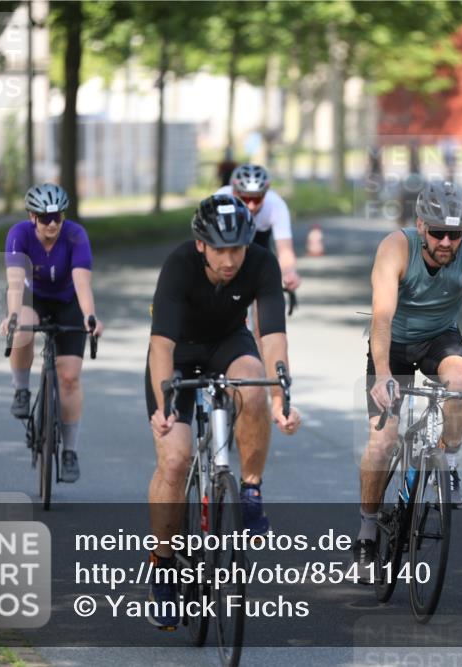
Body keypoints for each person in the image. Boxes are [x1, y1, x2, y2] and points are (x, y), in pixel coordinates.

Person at [144, 193, 301, 629]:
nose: (230, 260)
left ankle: (249, 491)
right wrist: (164, 405)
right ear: (201, 245)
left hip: (228, 346)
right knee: (175, 459)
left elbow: (272, 337)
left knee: (253, 384)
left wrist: (279, 399)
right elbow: (161, 345)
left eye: (237, 249)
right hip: (178, 355)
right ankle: (162, 566)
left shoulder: (261, 263)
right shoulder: (179, 266)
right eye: (220, 249)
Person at [353, 180, 462, 575]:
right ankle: (366, 529)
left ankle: (451, 460)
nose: (447, 242)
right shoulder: (396, 247)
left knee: (461, 383)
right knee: (383, 439)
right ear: (420, 225)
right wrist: (382, 376)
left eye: (456, 234)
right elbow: (382, 318)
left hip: (439, 338)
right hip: (391, 342)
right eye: (439, 232)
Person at [0, 183, 103, 483]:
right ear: (32, 217)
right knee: (22, 328)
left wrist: (90, 316)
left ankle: (69, 451)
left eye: (57, 216)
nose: (53, 223)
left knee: (69, 377)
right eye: (45, 218)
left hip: (68, 301)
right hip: (33, 298)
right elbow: (16, 283)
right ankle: (21, 389)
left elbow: (83, 283)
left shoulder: (75, 235)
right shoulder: (18, 235)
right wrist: (13, 314)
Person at [216, 163, 301, 292]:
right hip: (228, 242)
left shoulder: (276, 205)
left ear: (266, 194)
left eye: (257, 199)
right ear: (233, 192)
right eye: (245, 198)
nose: (251, 206)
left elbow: (285, 250)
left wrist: (289, 273)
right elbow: (209, 245)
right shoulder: (220, 200)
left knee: (263, 285)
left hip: (260, 241)